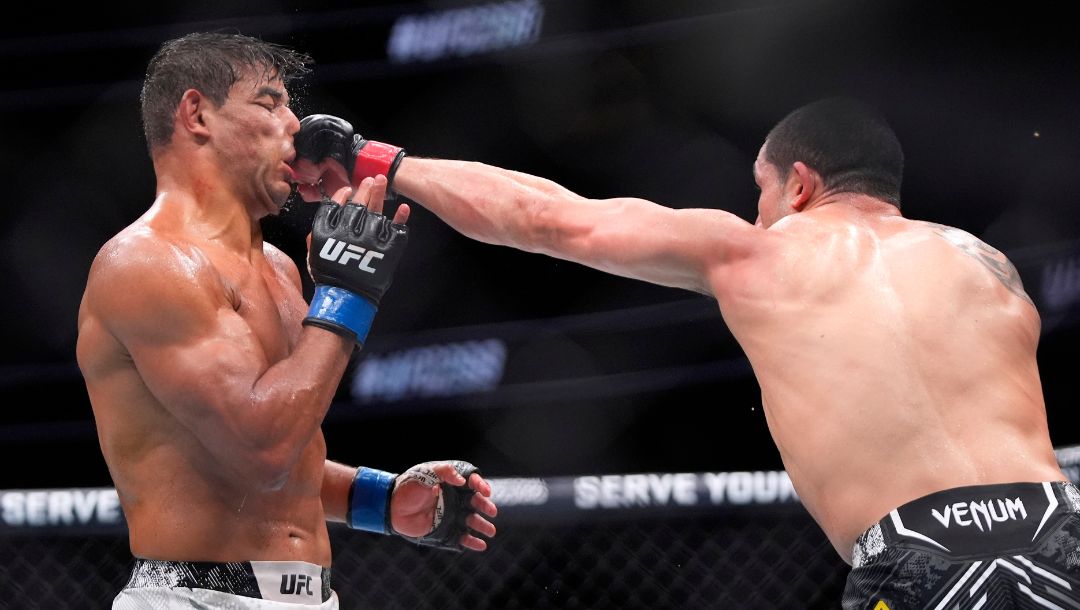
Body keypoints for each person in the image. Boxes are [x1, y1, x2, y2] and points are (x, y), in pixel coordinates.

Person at [291, 99, 1080, 609]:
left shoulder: (759, 253)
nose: (758, 212)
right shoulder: (986, 264)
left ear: (797, 184)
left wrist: (380, 162)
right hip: (1059, 532)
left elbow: (548, 218)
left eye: (760, 193)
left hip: (921, 558)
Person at [75, 32, 497, 610]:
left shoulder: (277, 268)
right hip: (198, 598)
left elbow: (280, 460)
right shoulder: (147, 263)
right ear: (197, 114)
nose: (296, 125)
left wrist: (382, 499)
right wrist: (349, 292)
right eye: (270, 103)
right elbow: (261, 450)